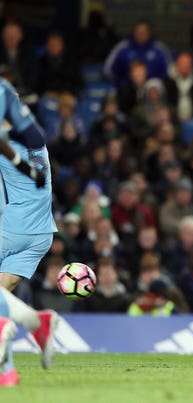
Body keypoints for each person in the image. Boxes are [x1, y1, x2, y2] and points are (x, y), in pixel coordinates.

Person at [0, 78, 60, 386]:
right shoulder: (36, 139)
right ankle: (36, 327)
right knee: (1, 295)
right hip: (40, 234)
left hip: (14, 226)